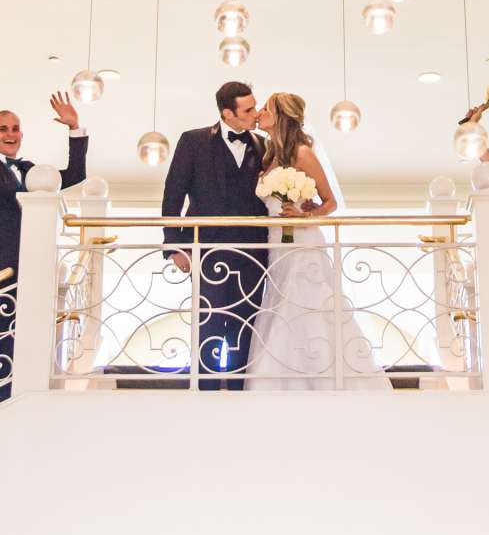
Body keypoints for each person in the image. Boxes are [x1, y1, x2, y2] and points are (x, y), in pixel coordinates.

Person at [0, 94, 87, 417]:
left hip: (33, 269)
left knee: (24, 342)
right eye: (3, 129)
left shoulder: (32, 170)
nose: (10, 134)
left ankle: (14, 407)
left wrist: (74, 128)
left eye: (15, 128)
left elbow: (75, 175)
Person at [245, 92, 389, 389]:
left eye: (266, 108)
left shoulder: (301, 153)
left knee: (305, 305)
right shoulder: (269, 154)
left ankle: (319, 379)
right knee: (279, 303)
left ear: (281, 115)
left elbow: (330, 202)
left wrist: (303, 216)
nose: (259, 112)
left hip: (302, 244)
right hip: (275, 243)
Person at [160, 81, 269, 389]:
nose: (255, 113)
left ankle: (238, 393)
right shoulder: (193, 141)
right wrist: (174, 246)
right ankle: (204, 395)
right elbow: (173, 195)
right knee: (208, 324)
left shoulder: (263, 145)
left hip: (254, 254)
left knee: (246, 326)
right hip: (207, 250)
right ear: (227, 113)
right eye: (248, 110)